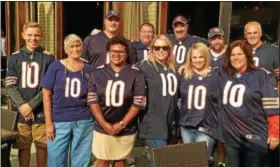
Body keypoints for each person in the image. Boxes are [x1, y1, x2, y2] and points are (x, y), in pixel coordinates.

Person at [218, 40, 279, 167]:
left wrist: (275, 131)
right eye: (232, 54)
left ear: (247, 55)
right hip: (232, 137)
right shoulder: (224, 74)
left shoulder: (261, 75)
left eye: (239, 54)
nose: (236, 57)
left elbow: (272, 105)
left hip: (254, 137)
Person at [87, 36, 146, 167]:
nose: (116, 54)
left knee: (120, 160)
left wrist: (122, 124)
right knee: (102, 159)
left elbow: (138, 102)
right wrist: (104, 124)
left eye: (121, 51)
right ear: (108, 52)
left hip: (127, 126)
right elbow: (92, 100)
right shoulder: (98, 72)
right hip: (103, 125)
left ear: (126, 54)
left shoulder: (136, 74)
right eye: (113, 51)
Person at [5, 21, 55, 167]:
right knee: (23, 145)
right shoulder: (14, 57)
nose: (33, 38)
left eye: (37, 35)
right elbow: (10, 85)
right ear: (23, 35)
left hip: (40, 110)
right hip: (21, 111)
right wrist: (22, 106)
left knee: (41, 145)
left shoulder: (48, 58)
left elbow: (48, 87)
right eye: (30, 35)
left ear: (42, 36)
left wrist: (31, 105)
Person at [41, 34, 94, 167]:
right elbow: (46, 95)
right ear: (65, 49)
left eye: (78, 45)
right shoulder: (56, 67)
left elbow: (94, 95)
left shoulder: (89, 68)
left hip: (84, 121)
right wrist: (48, 123)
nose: (75, 49)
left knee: (81, 160)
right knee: (56, 159)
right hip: (59, 120)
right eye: (72, 46)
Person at [139, 34, 179, 167]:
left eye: (164, 47)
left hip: (171, 122)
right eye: (157, 48)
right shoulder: (145, 67)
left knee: (167, 161)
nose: (161, 50)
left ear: (169, 50)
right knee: (159, 162)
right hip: (154, 123)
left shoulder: (174, 69)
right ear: (152, 50)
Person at [244, 21, 280, 167]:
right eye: (249, 33)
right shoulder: (242, 49)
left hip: (267, 103)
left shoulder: (272, 50)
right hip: (247, 103)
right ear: (245, 35)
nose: (252, 36)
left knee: (267, 144)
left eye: (255, 32)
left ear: (260, 33)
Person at [179, 42, 219, 167]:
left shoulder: (215, 76)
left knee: (200, 162)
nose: (198, 60)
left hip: (206, 127)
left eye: (201, 57)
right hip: (186, 126)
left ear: (206, 57)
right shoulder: (184, 75)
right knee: (190, 161)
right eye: (194, 57)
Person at [207, 27, 227, 167]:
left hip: (223, 98)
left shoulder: (230, 54)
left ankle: (222, 160)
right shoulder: (205, 54)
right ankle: (208, 156)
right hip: (207, 99)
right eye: (214, 38)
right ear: (209, 40)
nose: (217, 41)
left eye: (219, 38)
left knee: (221, 132)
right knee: (208, 130)